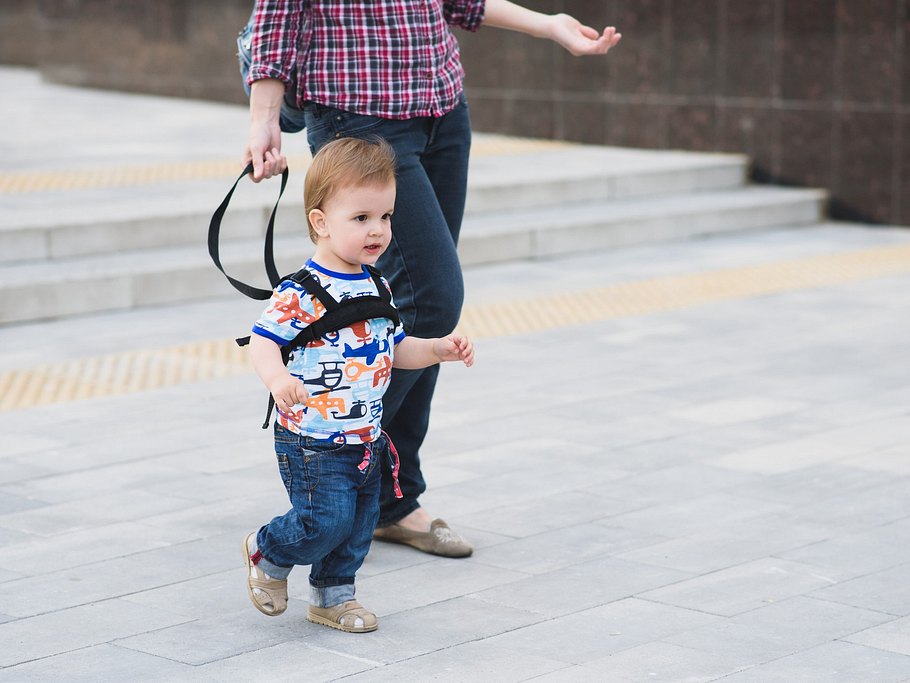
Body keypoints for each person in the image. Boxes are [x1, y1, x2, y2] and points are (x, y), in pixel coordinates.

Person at [240, 0, 621, 557]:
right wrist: (262, 117)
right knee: (433, 298)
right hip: (360, 114)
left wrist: (549, 26)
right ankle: (326, 462)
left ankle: (390, 497)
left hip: (442, 110)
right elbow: (279, 14)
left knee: (410, 304)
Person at [242, 136, 475, 632]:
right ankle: (269, 550)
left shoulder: (378, 284)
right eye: (362, 218)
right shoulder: (300, 292)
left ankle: (333, 596)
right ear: (320, 222)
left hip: (367, 435)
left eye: (386, 217)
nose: (379, 231)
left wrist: (435, 349)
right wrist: (279, 378)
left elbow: (394, 348)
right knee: (321, 522)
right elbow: (263, 343)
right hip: (312, 438)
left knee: (357, 526)